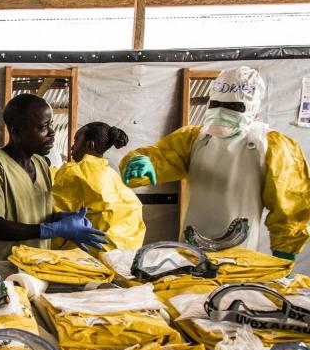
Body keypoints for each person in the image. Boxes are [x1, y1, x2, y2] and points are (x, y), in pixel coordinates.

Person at [121, 66, 310, 260]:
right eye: (216, 104)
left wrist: (284, 257)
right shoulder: (193, 139)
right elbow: (163, 156)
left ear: (253, 109)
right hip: (189, 250)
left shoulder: (272, 147)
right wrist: (143, 163)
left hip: (238, 256)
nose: (221, 111)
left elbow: (291, 208)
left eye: (235, 107)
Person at [0, 94, 108, 261]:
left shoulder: (40, 164)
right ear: (17, 131)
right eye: (43, 127)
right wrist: (53, 230)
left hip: (36, 267)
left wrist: (64, 220)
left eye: (51, 125)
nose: (52, 133)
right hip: (1, 270)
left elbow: (39, 216)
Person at [53, 122, 145, 253]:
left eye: (76, 140)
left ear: (90, 145)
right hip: (128, 252)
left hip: (95, 253)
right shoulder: (111, 174)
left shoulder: (74, 171)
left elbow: (57, 215)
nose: (72, 147)